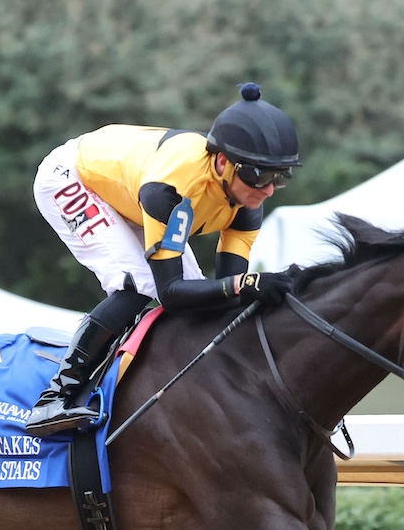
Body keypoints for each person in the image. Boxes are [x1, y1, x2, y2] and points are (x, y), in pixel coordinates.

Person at [25, 82, 301, 436]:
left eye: (280, 176)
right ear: (221, 162)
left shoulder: (246, 206)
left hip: (130, 189)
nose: (266, 190)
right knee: (135, 284)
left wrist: (251, 289)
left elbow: (230, 294)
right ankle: (56, 395)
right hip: (74, 177)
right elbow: (169, 291)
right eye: (259, 174)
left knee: (205, 297)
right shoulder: (173, 187)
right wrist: (246, 285)